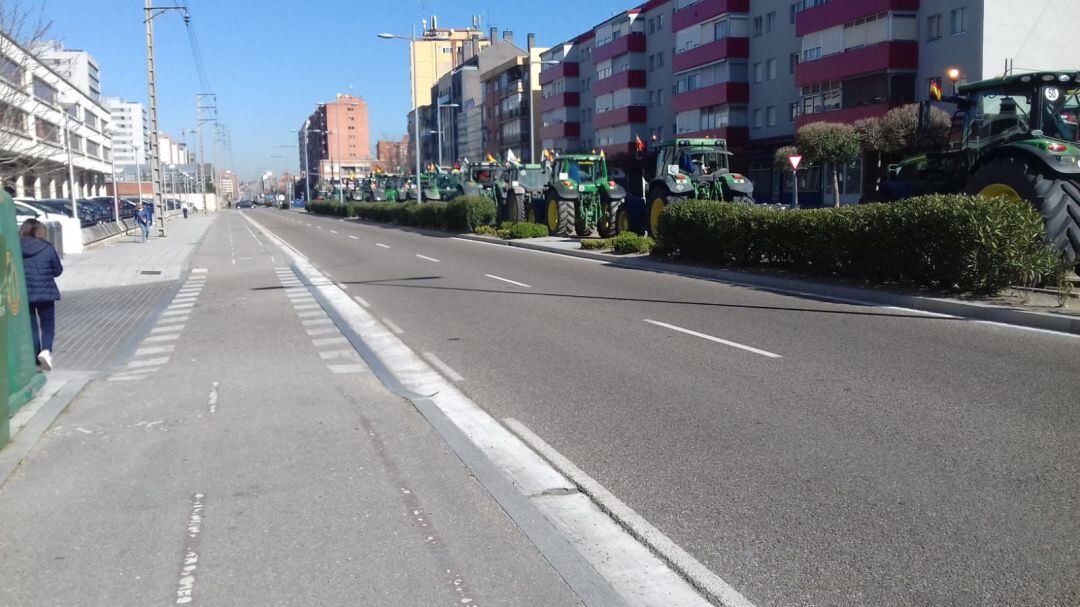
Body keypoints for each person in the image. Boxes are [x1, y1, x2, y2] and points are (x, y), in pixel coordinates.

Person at [20, 218, 62, 371]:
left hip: (26, 294)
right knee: (48, 325)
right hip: (46, 293)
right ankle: (46, 351)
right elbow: (58, 271)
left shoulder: (16, 248)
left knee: (32, 327)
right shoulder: (47, 247)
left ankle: (36, 359)